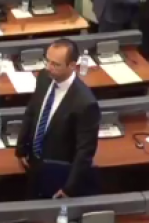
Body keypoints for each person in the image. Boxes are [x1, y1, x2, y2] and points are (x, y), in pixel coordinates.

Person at [15, 39, 100, 198]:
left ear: (72, 65)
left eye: (56, 64)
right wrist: (21, 148)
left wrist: (69, 188)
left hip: (58, 172)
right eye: (48, 61)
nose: (49, 67)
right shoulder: (44, 77)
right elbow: (32, 110)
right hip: (33, 162)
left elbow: (85, 152)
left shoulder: (85, 103)